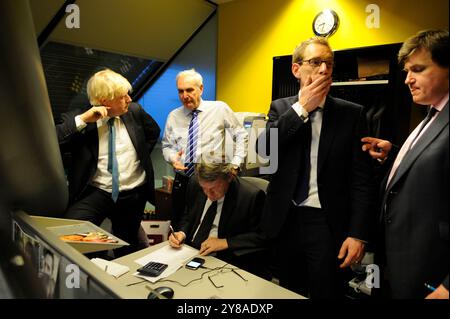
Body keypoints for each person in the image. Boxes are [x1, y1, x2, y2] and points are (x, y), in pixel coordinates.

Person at [261, 36, 375, 298]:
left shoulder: (352, 114)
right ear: (296, 69)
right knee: (289, 289)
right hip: (285, 219)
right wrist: (302, 108)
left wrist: (358, 234)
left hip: (327, 222)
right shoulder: (280, 108)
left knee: (327, 291)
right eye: (315, 62)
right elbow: (265, 152)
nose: (324, 70)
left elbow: (361, 180)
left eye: (329, 64)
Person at [361, 29, 448, 299]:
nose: (408, 80)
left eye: (418, 69)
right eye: (407, 71)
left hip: (432, 270)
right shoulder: (433, 112)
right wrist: (397, 154)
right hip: (401, 259)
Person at [57, 69, 160, 257]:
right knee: (72, 233)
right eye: (123, 96)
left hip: (133, 192)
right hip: (97, 191)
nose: (129, 99)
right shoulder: (79, 117)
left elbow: (153, 133)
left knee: (128, 245)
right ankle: (99, 261)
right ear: (105, 100)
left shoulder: (135, 112)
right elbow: (53, 141)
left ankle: (124, 281)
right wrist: (83, 120)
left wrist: (140, 157)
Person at [162, 69, 248, 228]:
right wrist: (173, 158)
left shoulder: (219, 109)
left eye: (189, 90)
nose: (184, 95)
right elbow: (167, 146)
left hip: (211, 181)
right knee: (180, 225)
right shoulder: (173, 116)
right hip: (183, 180)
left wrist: (236, 163)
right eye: (180, 91)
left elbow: (241, 135)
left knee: (207, 225)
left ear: (201, 89)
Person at [168, 161, 268, 278]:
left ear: (229, 177)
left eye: (213, 188)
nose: (208, 194)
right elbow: (188, 215)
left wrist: (225, 242)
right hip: (188, 253)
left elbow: (262, 237)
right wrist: (181, 233)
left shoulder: (251, 196)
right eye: (204, 188)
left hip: (225, 260)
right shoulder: (194, 182)